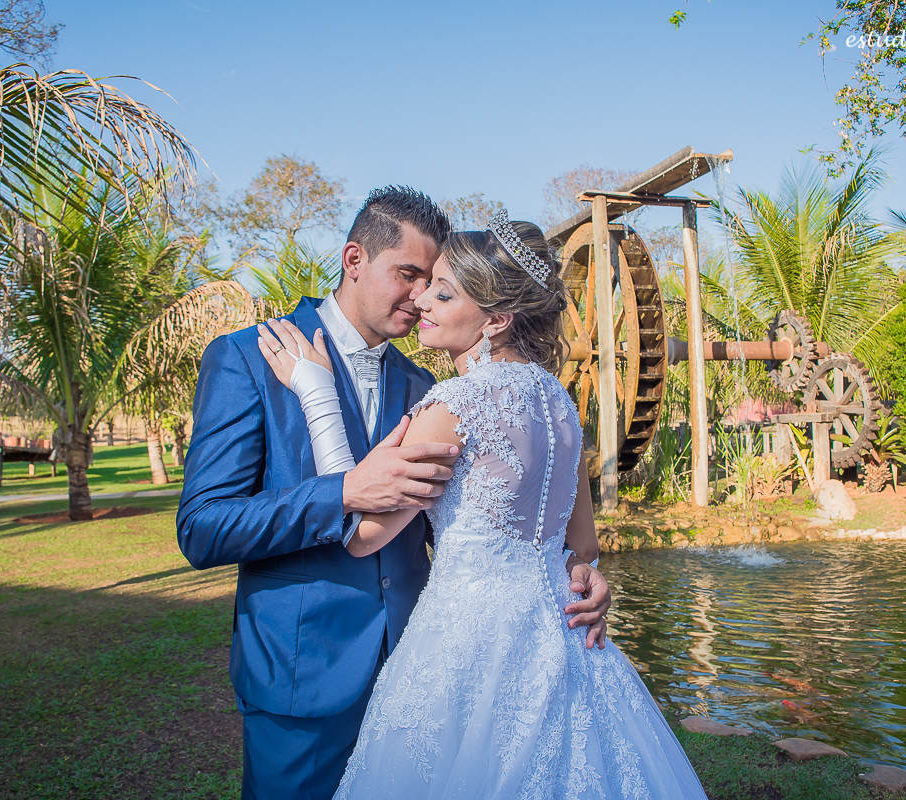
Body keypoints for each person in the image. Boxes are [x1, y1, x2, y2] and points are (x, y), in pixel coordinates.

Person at [176, 188, 613, 800]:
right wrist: (345, 491)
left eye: (434, 282)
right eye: (408, 275)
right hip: (305, 674)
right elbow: (203, 525)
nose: (418, 297)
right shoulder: (248, 358)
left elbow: (473, 520)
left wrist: (573, 567)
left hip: (432, 673)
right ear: (355, 258)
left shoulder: (429, 385)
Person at [257, 210, 709, 798]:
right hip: (563, 636)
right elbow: (586, 545)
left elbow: (362, 531)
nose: (422, 302)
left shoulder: (455, 405)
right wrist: (585, 576)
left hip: (466, 645)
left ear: (496, 320)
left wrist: (317, 395)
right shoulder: (560, 405)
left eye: (443, 294)